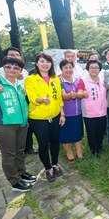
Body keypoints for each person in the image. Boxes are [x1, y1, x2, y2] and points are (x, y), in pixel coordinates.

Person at [0, 56, 36, 192]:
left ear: (20, 70)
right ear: (3, 67)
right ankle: (15, 181)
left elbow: (23, 104)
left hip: (22, 124)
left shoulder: (19, 85)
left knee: (19, 151)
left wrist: (26, 120)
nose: (12, 70)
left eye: (16, 68)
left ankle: (21, 172)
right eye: (8, 66)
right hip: (3, 125)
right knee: (9, 154)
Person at [25, 53, 65, 182]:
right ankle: (48, 169)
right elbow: (32, 98)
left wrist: (62, 114)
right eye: (42, 61)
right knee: (43, 144)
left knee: (54, 142)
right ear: (37, 63)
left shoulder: (55, 79)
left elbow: (59, 98)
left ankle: (55, 164)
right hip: (38, 118)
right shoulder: (30, 79)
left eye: (48, 62)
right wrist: (41, 100)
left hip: (55, 116)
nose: (45, 64)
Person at [0, 47, 36, 155]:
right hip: (9, 105)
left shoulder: (25, 71)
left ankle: (27, 148)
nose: (15, 57)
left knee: (26, 128)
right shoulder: (0, 71)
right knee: (10, 145)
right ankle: (13, 158)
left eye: (17, 55)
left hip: (23, 102)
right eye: (12, 55)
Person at [77, 60, 107, 156]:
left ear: (99, 69)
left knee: (101, 131)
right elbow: (79, 92)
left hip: (102, 111)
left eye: (96, 68)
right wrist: (82, 93)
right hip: (90, 113)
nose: (94, 70)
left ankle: (100, 147)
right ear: (88, 69)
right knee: (92, 133)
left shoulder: (102, 80)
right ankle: (93, 149)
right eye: (91, 67)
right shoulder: (83, 80)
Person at [59, 59, 84, 162]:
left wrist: (82, 94)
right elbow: (63, 95)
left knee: (78, 134)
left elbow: (82, 92)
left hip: (78, 113)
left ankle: (79, 152)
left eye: (70, 67)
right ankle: (69, 153)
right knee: (66, 136)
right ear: (61, 69)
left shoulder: (78, 80)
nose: (68, 70)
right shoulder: (58, 81)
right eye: (65, 68)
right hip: (65, 114)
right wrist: (70, 95)